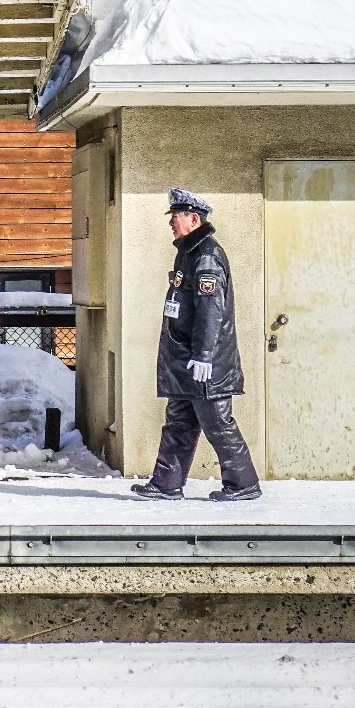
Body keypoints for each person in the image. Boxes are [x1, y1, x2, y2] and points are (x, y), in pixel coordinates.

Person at [131, 188, 262, 502]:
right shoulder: (189, 252)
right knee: (179, 421)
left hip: (204, 363)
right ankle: (166, 484)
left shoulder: (206, 255)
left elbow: (210, 309)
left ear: (193, 219)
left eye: (175, 217)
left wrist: (204, 355)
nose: (171, 223)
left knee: (217, 422)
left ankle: (243, 484)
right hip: (185, 360)